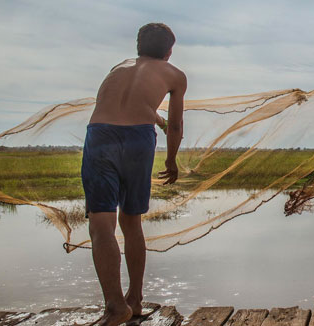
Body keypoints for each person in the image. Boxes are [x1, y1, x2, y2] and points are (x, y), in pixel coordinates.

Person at [82, 22, 185, 326]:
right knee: (131, 221)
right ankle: (134, 301)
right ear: (169, 51)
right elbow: (176, 126)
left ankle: (116, 306)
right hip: (139, 139)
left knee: (101, 224)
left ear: (138, 47)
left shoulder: (118, 68)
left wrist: (156, 118)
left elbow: (127, 102)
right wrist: (171, 160)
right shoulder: (175, 75)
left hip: (100, 135)